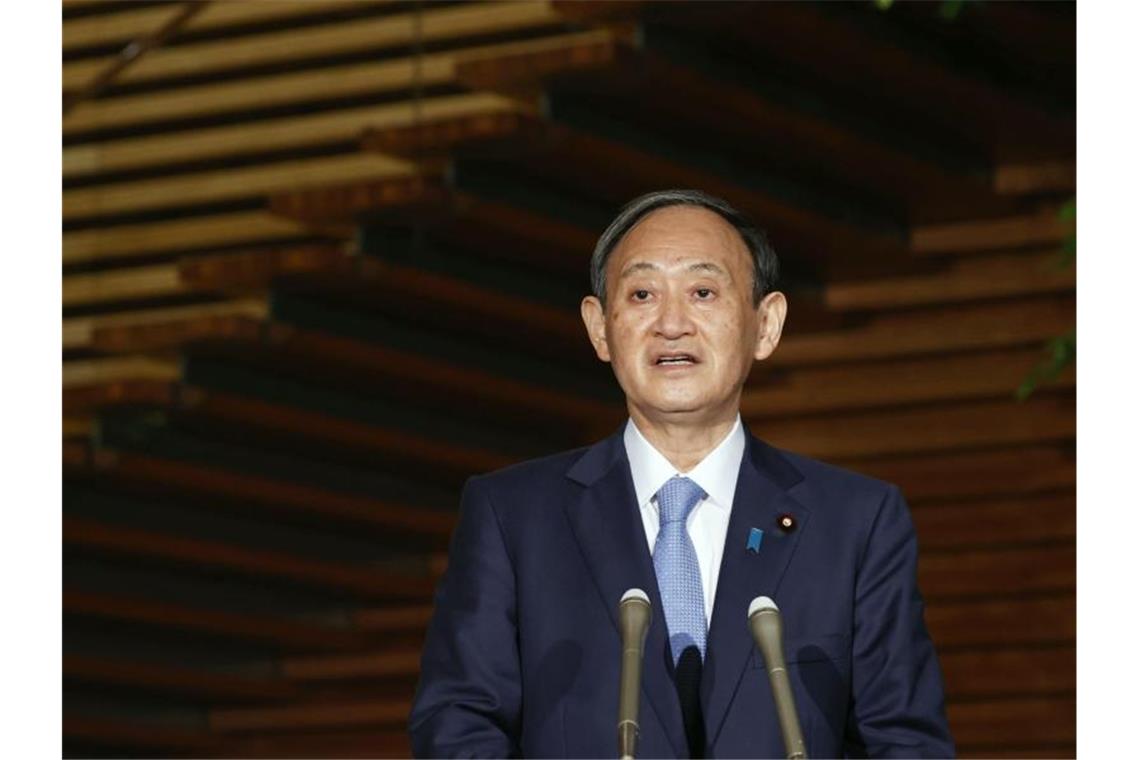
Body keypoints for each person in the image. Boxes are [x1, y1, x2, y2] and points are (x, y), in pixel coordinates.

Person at [409, 189, 954, 758]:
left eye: (703, 292)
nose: (672, 323)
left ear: (765, 325)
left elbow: (904, 741)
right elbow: (458, 729)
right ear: (599, 328)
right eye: (642, 294)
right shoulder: (512, 516)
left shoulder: (856, 523)